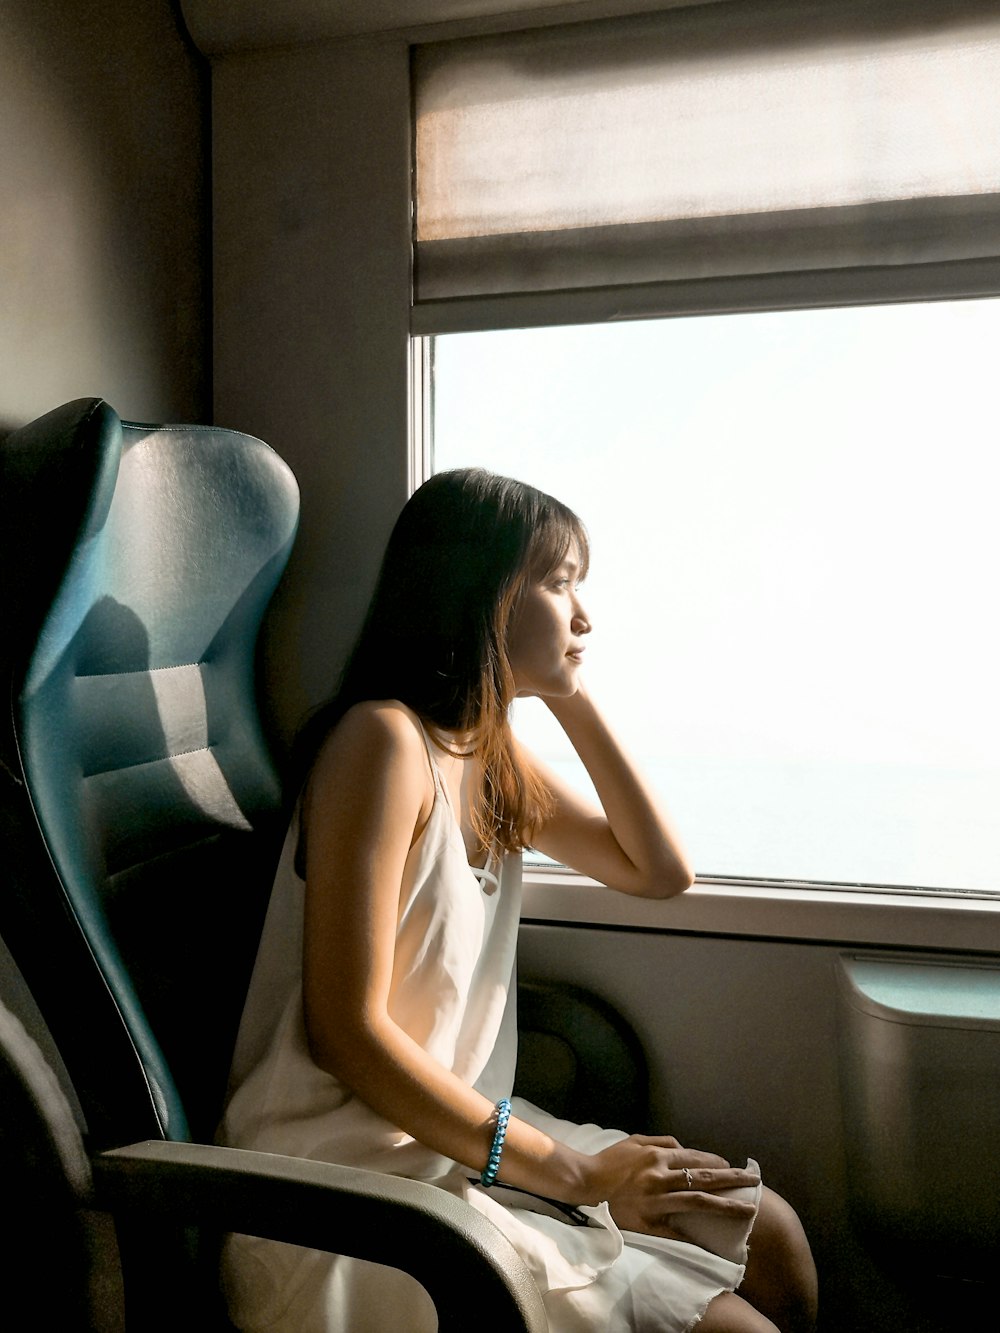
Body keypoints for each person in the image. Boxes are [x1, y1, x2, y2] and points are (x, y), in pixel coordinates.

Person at [218, 469, 818, 1333]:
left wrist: (569, 696)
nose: (584, 615)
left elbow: (659, 869)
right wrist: (571, 1175)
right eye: (561, 581)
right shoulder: (380, 741)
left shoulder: (489, 756)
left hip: (455, 1136)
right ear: (483, 591)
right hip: (349, 1171)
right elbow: (345, 1033)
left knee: (777, 1240)